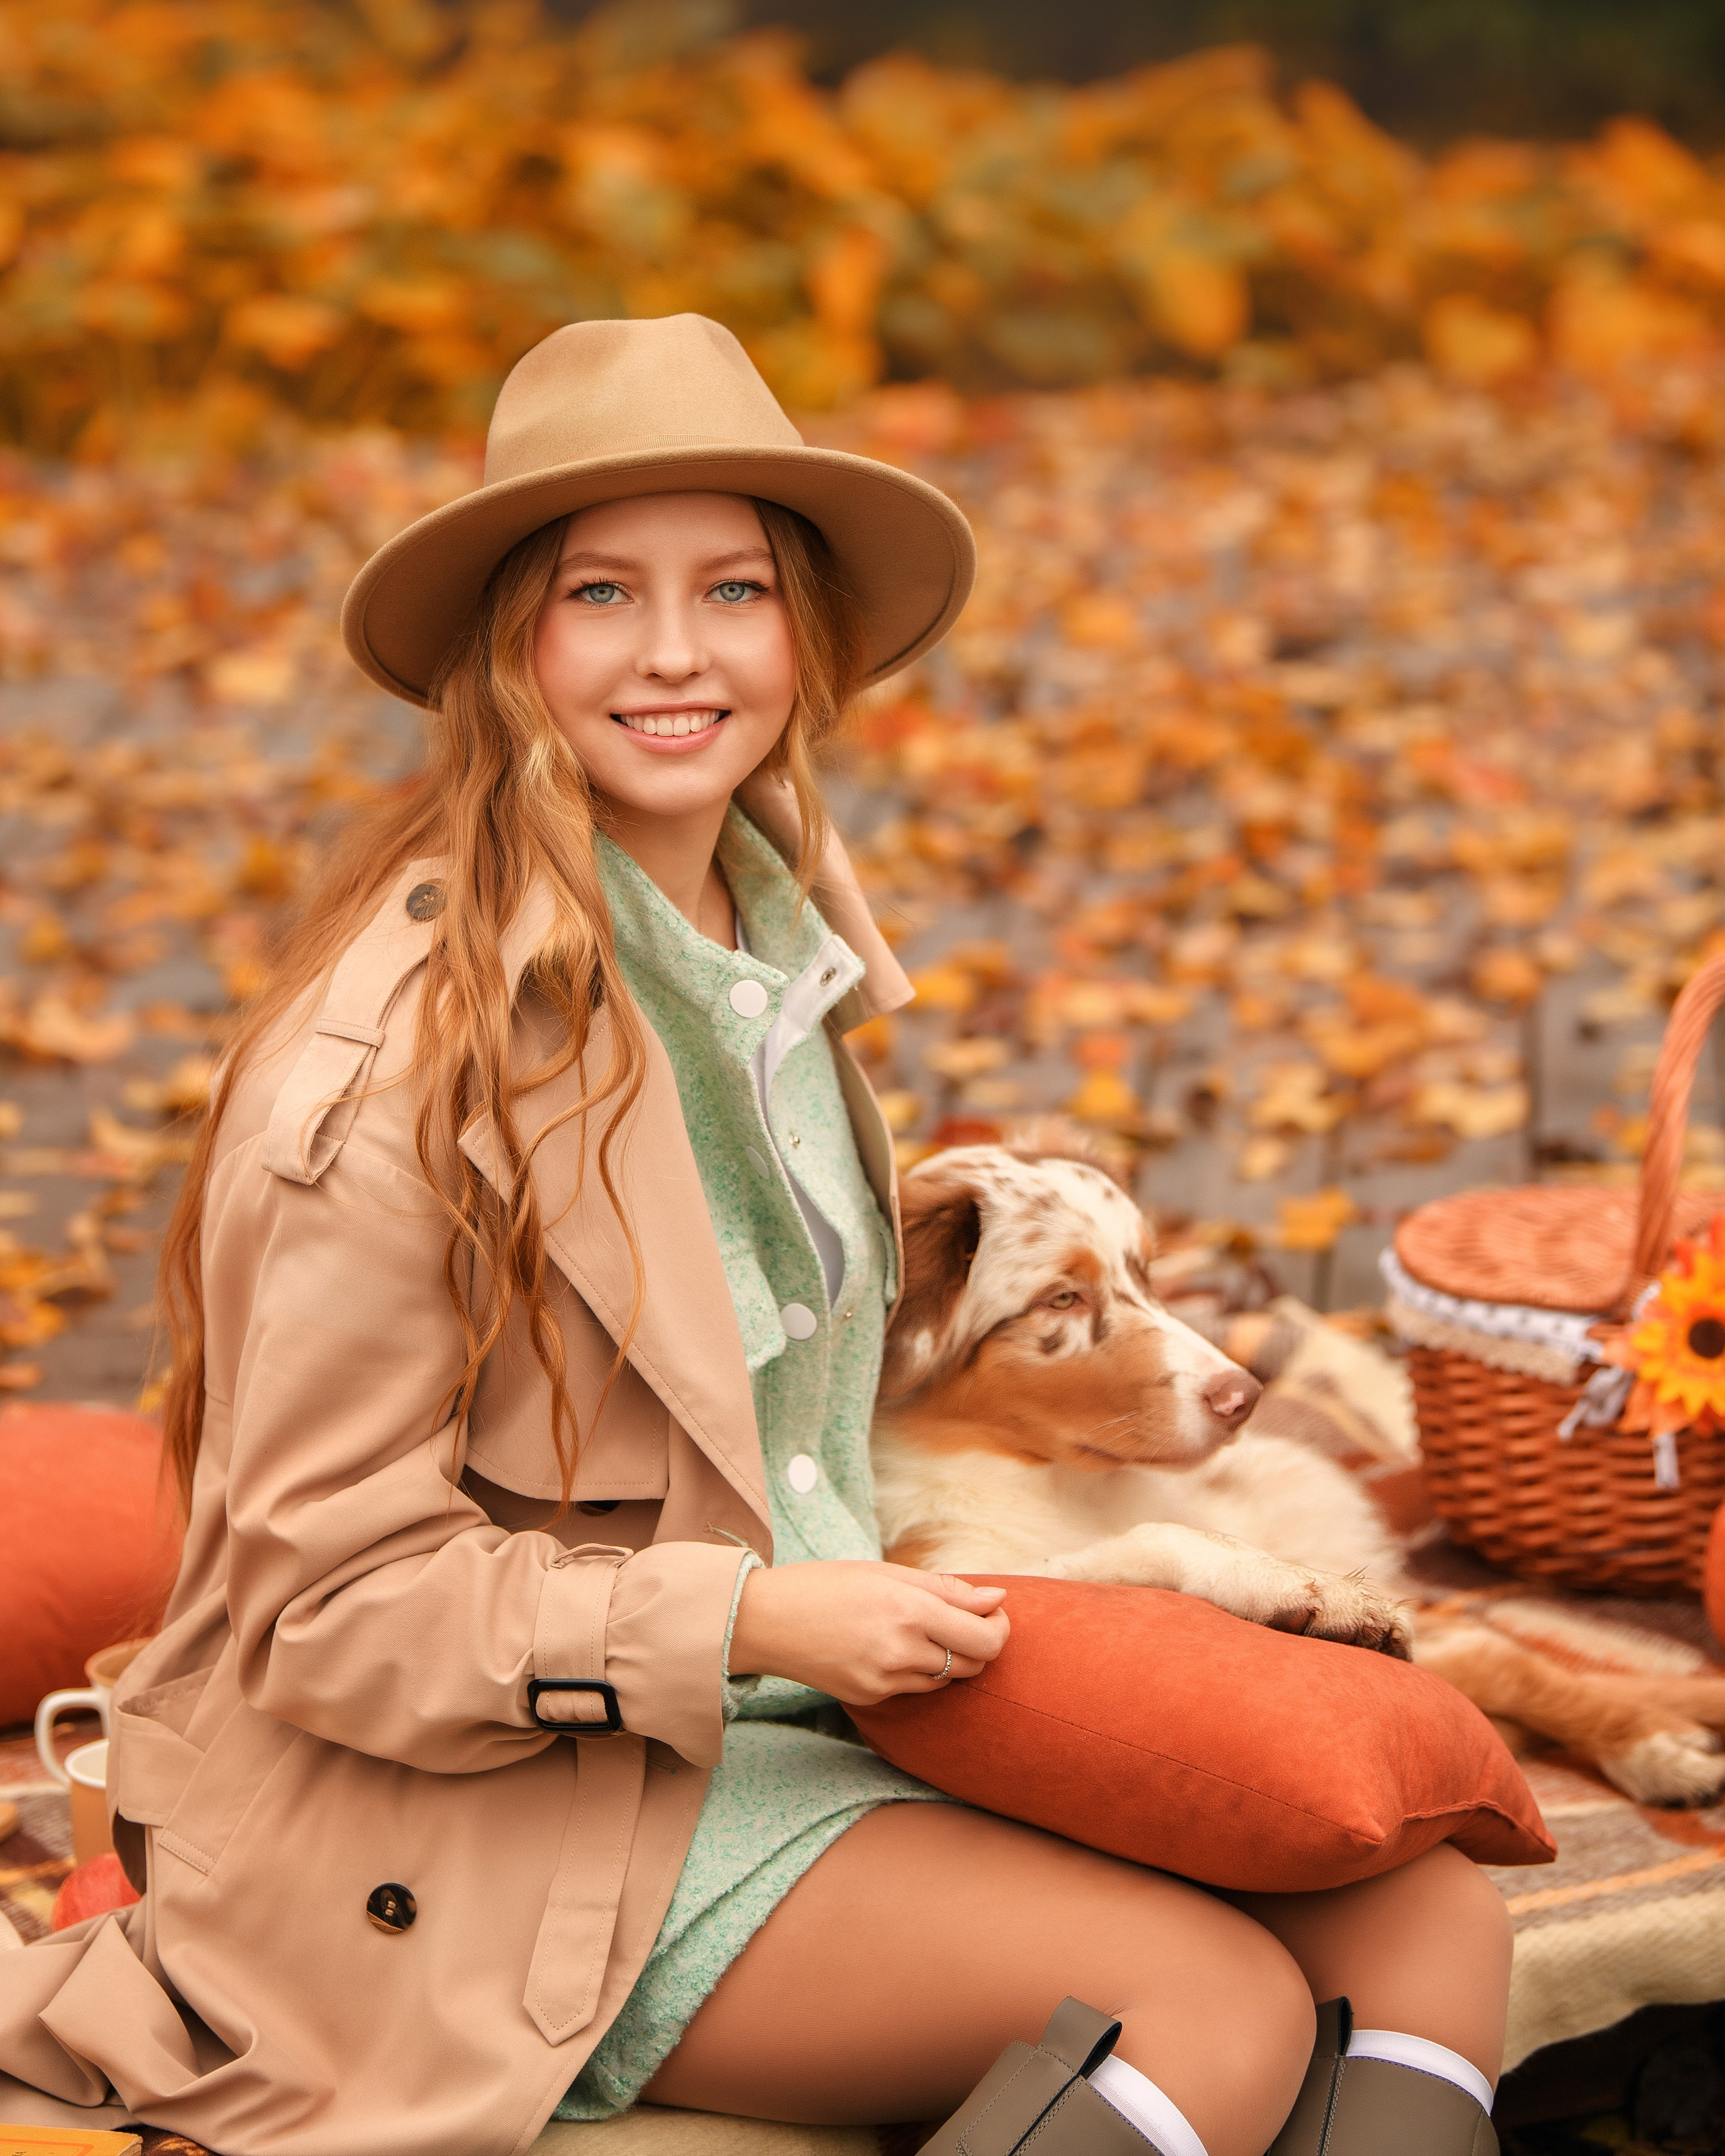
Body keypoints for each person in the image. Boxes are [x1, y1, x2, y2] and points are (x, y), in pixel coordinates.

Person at [0, 316, 1511, 2156]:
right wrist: (752, 1613)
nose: (672, 653)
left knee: (1430, 1921)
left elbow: (812, 1442)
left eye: (731, 587)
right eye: (599, 597)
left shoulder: (775, 974)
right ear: (509, 651)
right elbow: (333, 1613)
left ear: (807, 634)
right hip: (483, 1816)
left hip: (794, 1734)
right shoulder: (386, 1074)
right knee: (1200, 2006)